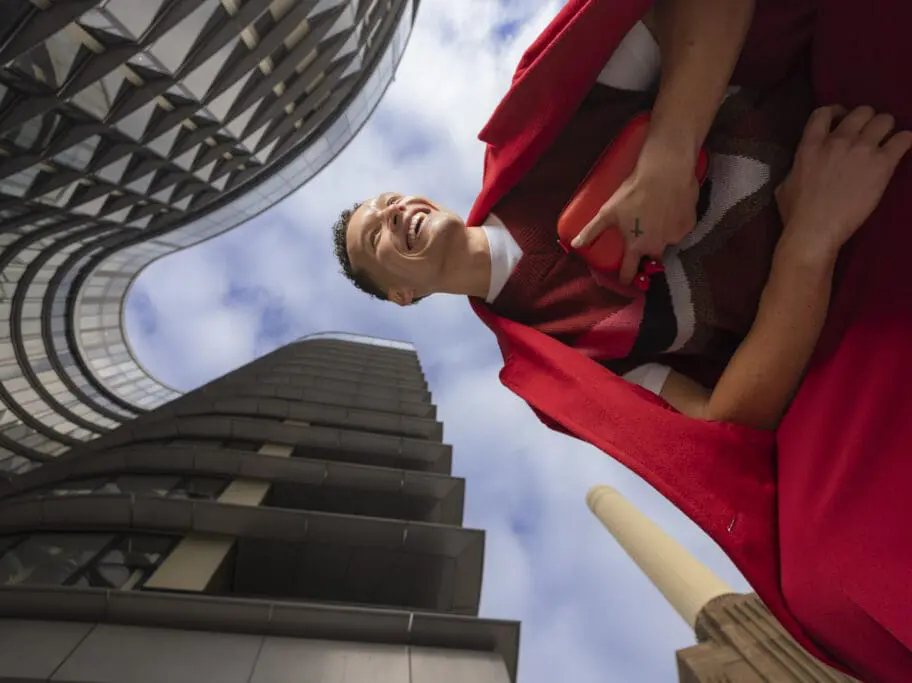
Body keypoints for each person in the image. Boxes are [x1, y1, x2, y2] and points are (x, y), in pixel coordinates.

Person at [333, 0, 912, 680]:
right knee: (835, 585)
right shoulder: (557, 360)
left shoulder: (537, 142)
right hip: (841, 309)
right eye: (376, 234)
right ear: (404, 295)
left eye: (388, 199)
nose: (394, 211)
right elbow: (721, 419)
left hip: (836, 111)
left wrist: (671, 145)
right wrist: (810, 243)